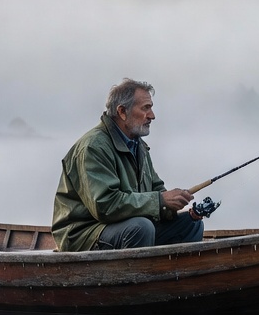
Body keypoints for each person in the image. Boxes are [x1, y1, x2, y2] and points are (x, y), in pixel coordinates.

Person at [52, 78, 204, 251]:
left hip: (123, 226)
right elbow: (105, 205)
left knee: (192, 225)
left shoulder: (138, 145)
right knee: (140, 228)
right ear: (122, 112)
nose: (152, 115)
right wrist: (160, 200)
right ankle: (137, 278)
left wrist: (171, 204)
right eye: (146, 108)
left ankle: (171, 277)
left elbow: (156, 189)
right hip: (83, 235)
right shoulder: (93, 147)